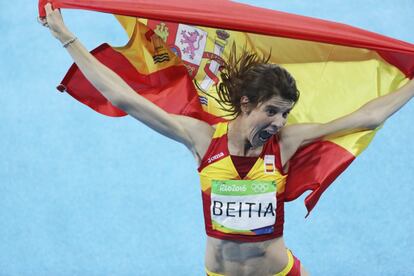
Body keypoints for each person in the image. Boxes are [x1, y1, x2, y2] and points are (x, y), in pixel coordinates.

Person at [41, 3, 414, 275]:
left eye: (285, 113)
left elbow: (369, 116)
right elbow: (125, 98)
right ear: (246, 103)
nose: (279, 122)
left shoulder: (285, 142)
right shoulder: (202, 140)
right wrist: (68, 39)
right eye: (272, 111)